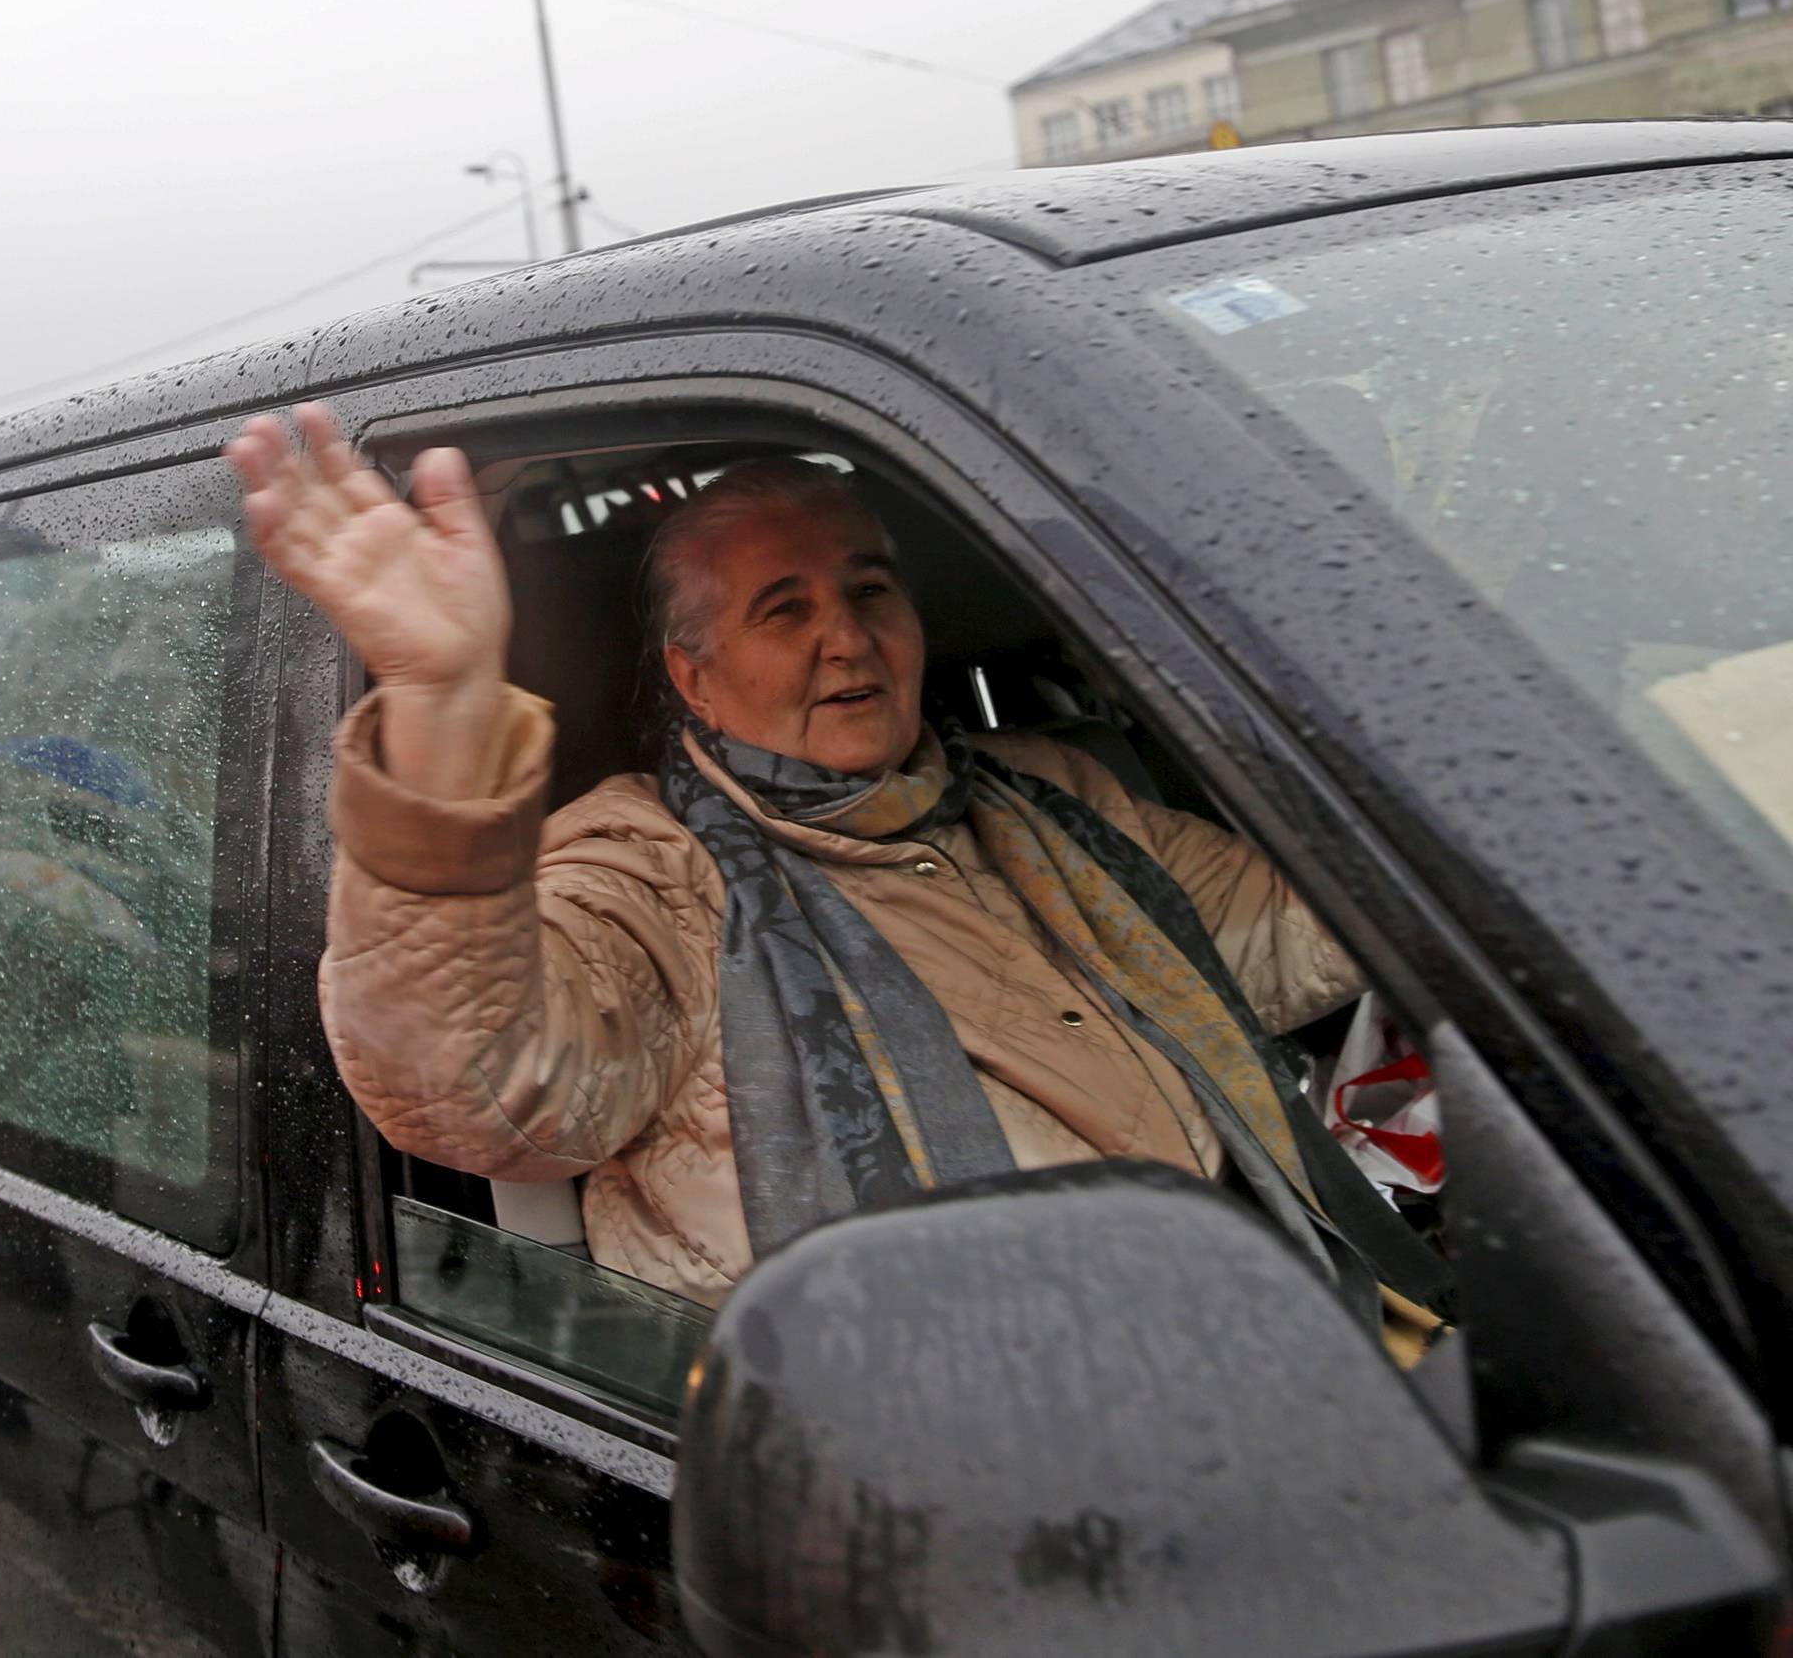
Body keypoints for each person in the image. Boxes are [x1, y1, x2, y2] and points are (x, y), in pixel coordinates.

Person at [226, 405, 1448, 1349]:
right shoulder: (652, 863)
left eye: (869, 588)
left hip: (1276, 1320)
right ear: (694, 678)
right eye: (783, 607)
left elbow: (1288, 932)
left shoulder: (1050, 792)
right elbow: (475, 1084)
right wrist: (444, 708)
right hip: (920, 1448)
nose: (847, 635)